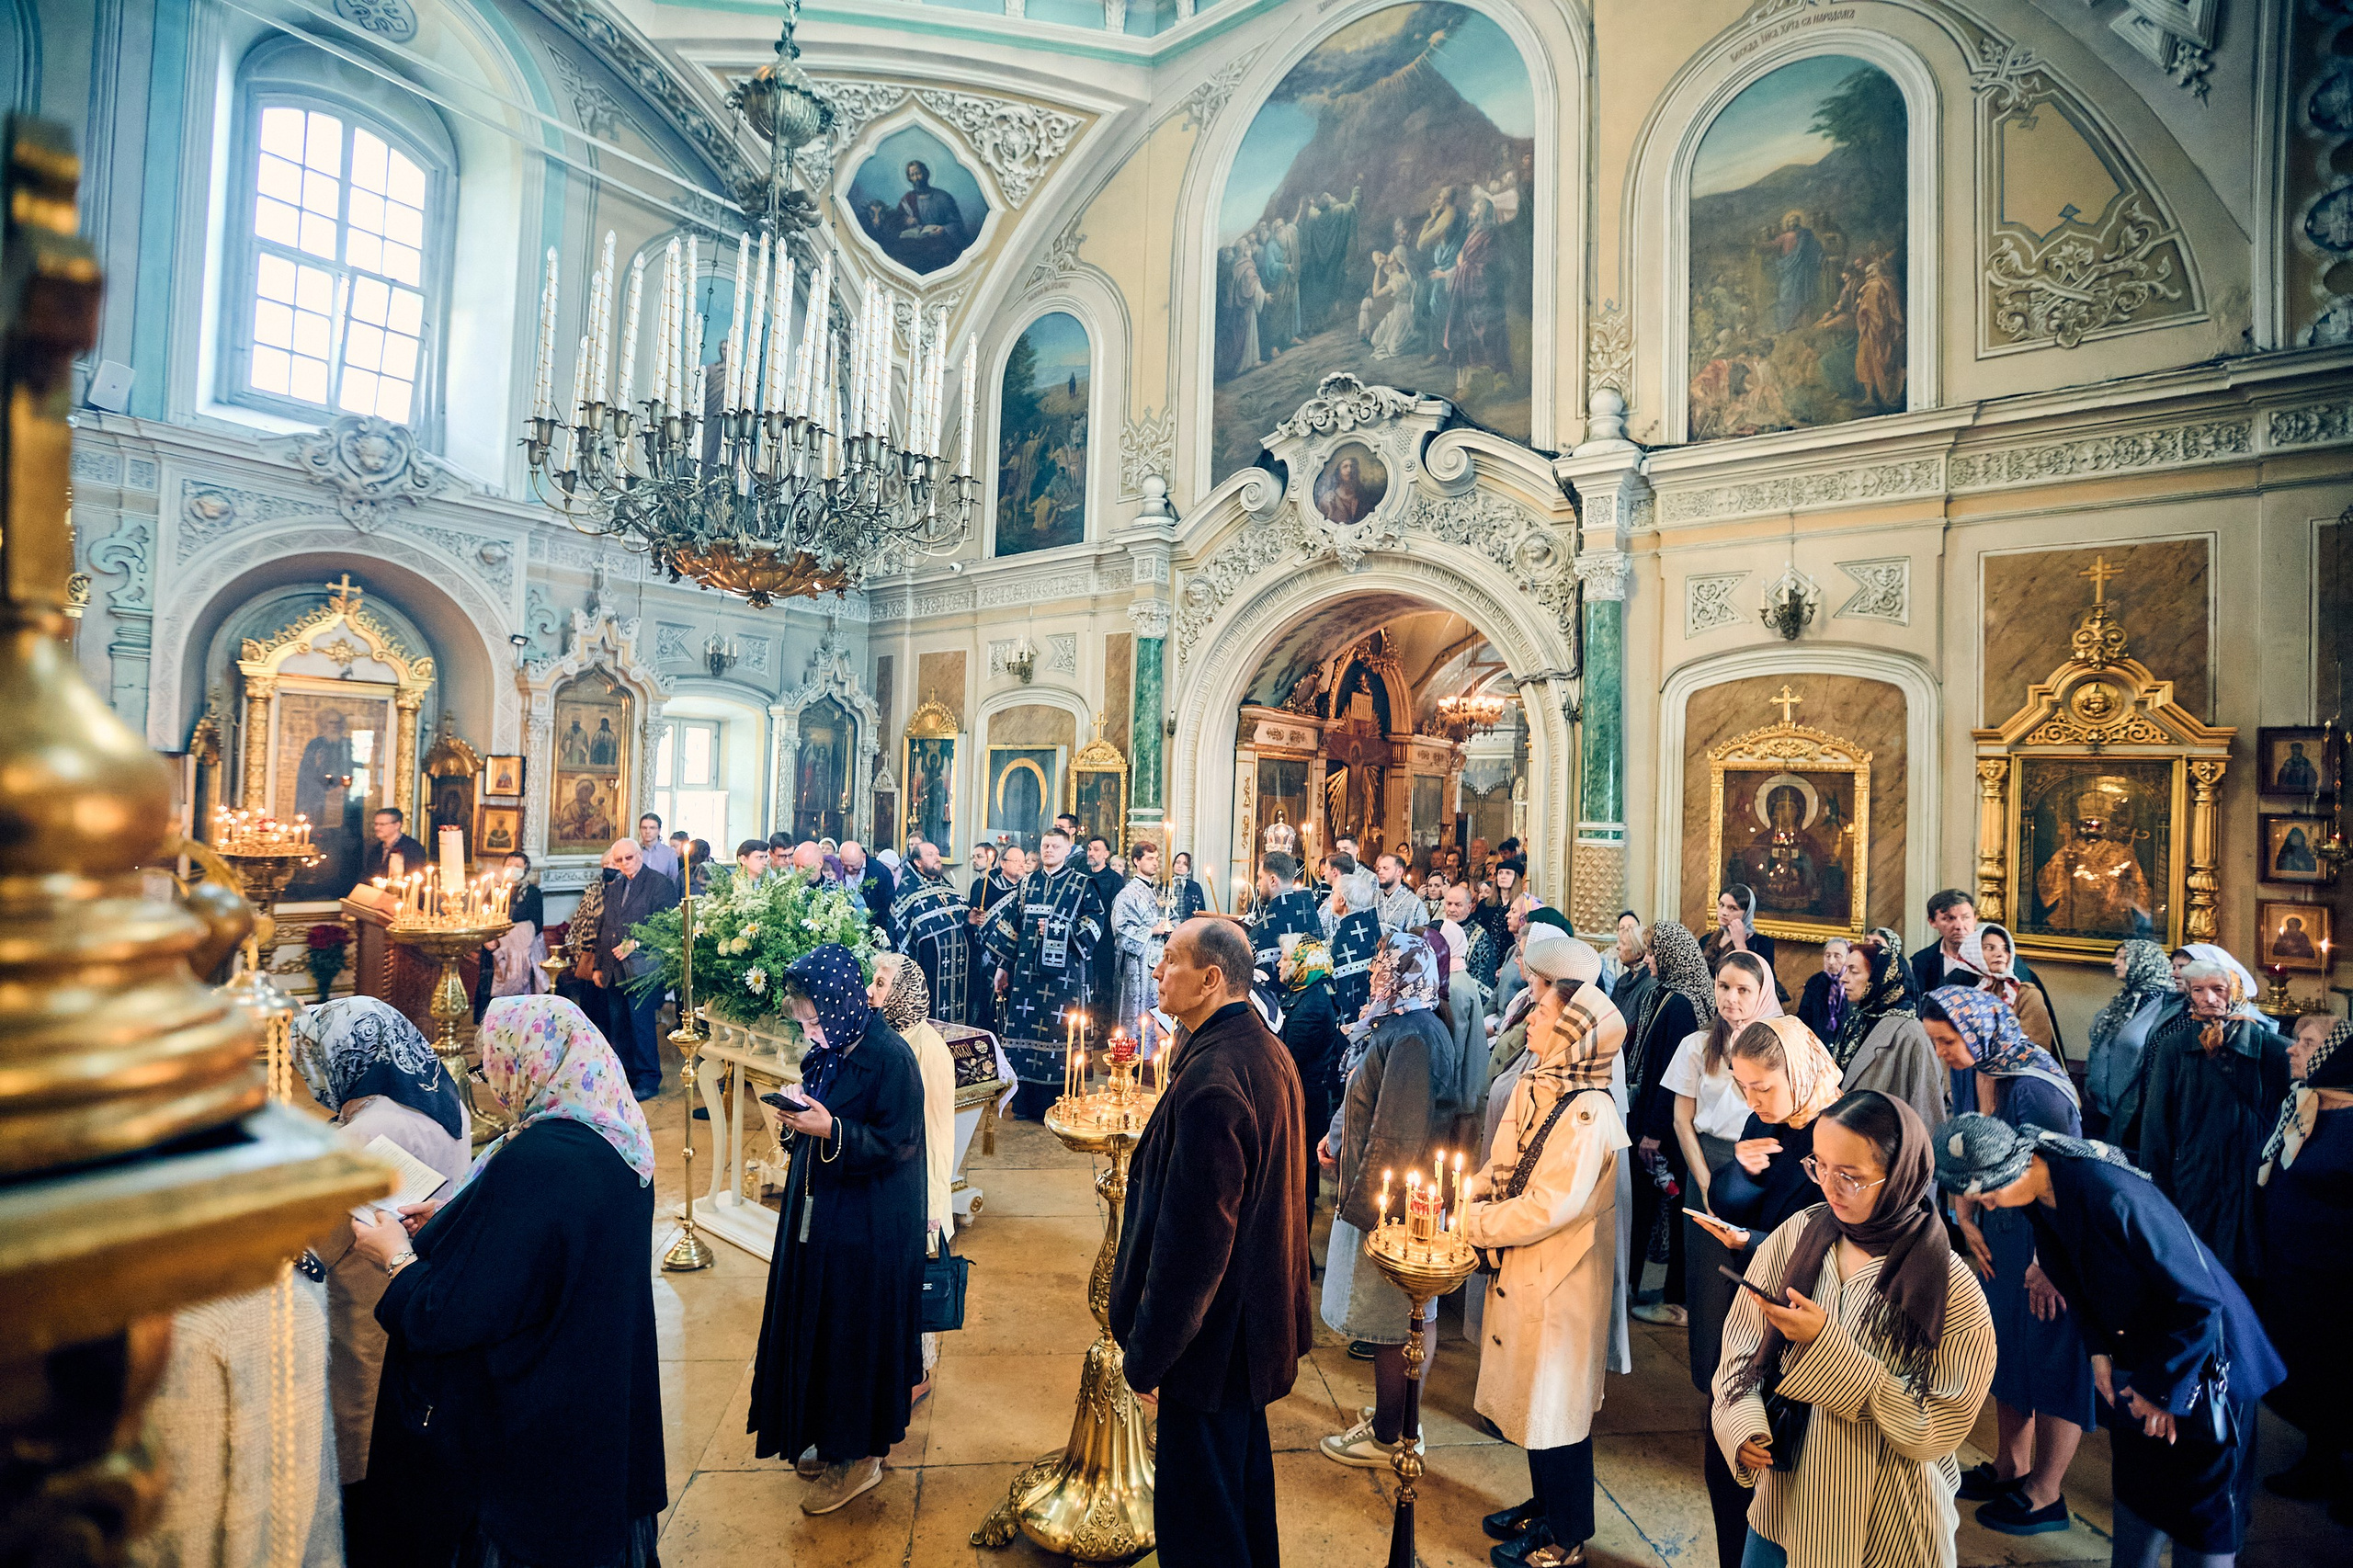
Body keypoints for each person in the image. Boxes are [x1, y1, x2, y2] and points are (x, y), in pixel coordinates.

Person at [349, 995, 665, 1566]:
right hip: (593, 1412)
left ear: (529, 1061)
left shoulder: (540, 1158)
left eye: (489, 1065)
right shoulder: (612, 1135)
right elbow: (542, 1250)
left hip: (531, 1442)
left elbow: (452, 1315)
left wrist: (396, 1256)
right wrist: (457, 1218)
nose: (491, 1082)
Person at [1937, 1116, 2285, 1568]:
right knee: (2140, 1489)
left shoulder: (2110, 1194)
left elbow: (2201, 1302)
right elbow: (2071, 1278)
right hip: (2139, 1353)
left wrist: (2162, 1392)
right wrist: (2099, 1351)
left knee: (2201, 1507)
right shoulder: (2043, 1194)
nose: (1991, 1206)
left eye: (1989, 1194)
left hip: (2204, 1360)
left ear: (2021, 1165)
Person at [1712, 1090, 1997, 1568]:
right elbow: (1740, 1346)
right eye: (1819, 1166)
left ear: (1902, 1175)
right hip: (1787, 1506)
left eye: (1851, 1177)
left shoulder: (1950, 1285)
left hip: (1890, 1520)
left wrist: (1827, 1346)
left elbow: (1939, 1427)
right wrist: (1742, 1425)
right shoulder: (1798, 1235)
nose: (1829, 1186)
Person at [1110, 916, 1312, 1568]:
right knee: (1239, 1501)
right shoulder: (1260, 1048)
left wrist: (1148, 1357)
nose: (1157, 971)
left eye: (1170, 961)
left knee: (1200, 1525)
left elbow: (1193, 1249)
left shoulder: (1214, 1081)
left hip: (1211, 1349)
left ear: (1210, 979)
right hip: (1246, 1337)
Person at [748, 945, 926, 1513]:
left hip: (870, 1225)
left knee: (855, 1332)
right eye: (803, 1022)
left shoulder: (890, 1057)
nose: (811, 1032)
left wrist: (833, 1129)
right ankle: (828, 1435)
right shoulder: (831, 1048)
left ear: (846, 1003)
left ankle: (861, 1454)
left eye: (816, 1020)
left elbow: (900, 1143)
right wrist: (800, 1116)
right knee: (820, 1324)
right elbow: (823, 1108)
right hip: (820, 1215)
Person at [1464, 971, 1629, 1568]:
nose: (1528, 1020)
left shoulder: (1588, 1112)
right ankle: (1545, 1504)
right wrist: (1475, 1195)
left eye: (1540, 1012)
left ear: (1571, 1032)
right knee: (1537, 1409)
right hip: (1526, 1272)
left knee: (1558, 1413)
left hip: (1560, 1285)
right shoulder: (1544, 1083)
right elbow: (1502, 1161)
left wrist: (1475, 1225)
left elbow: (1548, 1207)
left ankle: (1566, 1536)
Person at [290, 998, 471, 1540]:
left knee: (362, 1431)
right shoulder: (437, 1093)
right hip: (422, 1270)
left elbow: (312, 1243)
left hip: (365, 1298)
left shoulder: (366, 1133)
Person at [1921, 987, 2095, 1536]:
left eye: (1947, 1041)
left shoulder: (2035, 1087)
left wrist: (2049, 1264)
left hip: (2048, 1240)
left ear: (1977, 1031)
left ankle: (2046, 1493)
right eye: (1936, 1042)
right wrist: (1962, 1215)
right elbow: (1964, 1145)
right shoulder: (1974, 1067)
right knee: (2008, 1350)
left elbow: (2064, 1179)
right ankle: (2009, 1466)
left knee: (2052, 1356)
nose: (1943, 1052)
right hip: (1998, 1228)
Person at [1686, 1015, 1845, 1568]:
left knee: (1779, 1477)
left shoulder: (1840, 1132)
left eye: (1763, 1086)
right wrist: (1743, 1174)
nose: (1753, 1099)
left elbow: (1831, 1240)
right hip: (1753, 1299)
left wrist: (1753, 1239)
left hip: (1808, 1323)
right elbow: (1730, 1202)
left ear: (1796, 1071)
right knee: (1724, 1460)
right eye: (1743, 1086)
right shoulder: (1767, 1120)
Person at [1318, 932, 1457, 1459]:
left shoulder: (1414, 1036)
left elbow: (1396, 1133)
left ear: (1407, 974)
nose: (1376, 974)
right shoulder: (1405, 1024)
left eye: (1385, 966)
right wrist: (1337, 1138)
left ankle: (1392, 1436)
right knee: (1399, 1323)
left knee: (1392, 1324)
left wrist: (1364, 1210)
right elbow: (1368, 1098)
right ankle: (1396, 1420)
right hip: (1392, 1197)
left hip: (1394, 1207)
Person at [2136, 958, 2292, 1289]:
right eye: (2199, 990)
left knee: (2253, 1271)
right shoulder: (2175, 1047)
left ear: (2235, 991)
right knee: (2197, 1267)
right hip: (2195, 1174)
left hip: (2253, 1177)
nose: (2208, 998)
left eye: (2218, 989)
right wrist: (2158, 1190)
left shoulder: (2271, 1050)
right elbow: (2155, 1126)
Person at [2257, 1017, 2353, 1519]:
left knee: (2344, 1375)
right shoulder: (2305, 1108)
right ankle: (2319, 1462)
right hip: (2298, 1273)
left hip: (2340, 1281)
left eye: (2309, 1044)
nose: (2293, 1050)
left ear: (2337, 1057)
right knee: (2312, 1374)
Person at [1659, 950, 1776, 1343]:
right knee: (1709, 1278)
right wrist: (1707, 1184)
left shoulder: (1781, 1045)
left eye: (1744, 990)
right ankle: (1708, 1376)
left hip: (1761, 1165)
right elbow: (1681, 1120)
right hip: (1707, 1160)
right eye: (1724, 987)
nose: (1732, 998)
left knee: (1757, 1273)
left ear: (1761, 994)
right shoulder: (1697, 1044)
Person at [872, 953, 954, 1400]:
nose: (872, 990)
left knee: (915, 1283)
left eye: (882, 984)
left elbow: (939, 1135)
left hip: (918, 1185)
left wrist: (933, 1209)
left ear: (904, 991)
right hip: (890, 1182)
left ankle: (918, 1378)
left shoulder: (929, 1051)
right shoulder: (885, 1038)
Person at [1627, 922, 1716, 1325]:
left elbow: (1670, 1075)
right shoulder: (1663, 994)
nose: (1647, 960)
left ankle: (1674, 1298)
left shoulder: (1681, 1004)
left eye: (1653, 953)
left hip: (1662, 1126)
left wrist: (1654, 1132)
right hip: (1649, 1118)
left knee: (1662, 1204)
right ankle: (1636, 1288)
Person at [982, 825, 1105, 1118]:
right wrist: (1002, 968)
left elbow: (1096, 924)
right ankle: (1025, 1103)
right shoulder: (1027, 884)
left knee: (1059, 1035)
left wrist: (1059, 929)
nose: (1048, 850)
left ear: (1067, 849)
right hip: (1026, 976)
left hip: (1065, 978)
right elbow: (1012, 927)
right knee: (1024, 1034)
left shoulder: (1082, 884)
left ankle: (1058, 1101)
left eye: (1055, 846)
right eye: (1045, 846)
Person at [1826, 930, 1946, 1133]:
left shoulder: (1910, 1032)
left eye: (1854, 972)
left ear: (1880, 977)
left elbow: (1927, 1108)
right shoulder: (1857, 1021)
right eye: (1846, 971)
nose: (1843, 979)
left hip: (1884, 1143)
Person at [593, 836, 680, 1100]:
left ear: (639, 856)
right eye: (618, 860)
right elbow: (605, 928)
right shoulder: (616, 885)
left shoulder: (659, 883)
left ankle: (648, 1079)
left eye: (628, 858)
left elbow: (667, 924)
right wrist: (598, 966)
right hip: (614, 969)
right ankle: (625, 1076)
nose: (624, 864)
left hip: (643, 968)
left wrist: (638, 941)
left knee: (641, 1026)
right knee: (619, 1026)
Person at [2084, 940, 2172, 1142]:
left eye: (2123, 958)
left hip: (2136, 1115)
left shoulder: (2166, 1008)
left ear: (2144, 962)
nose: (2115, 962)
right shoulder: (2125, 1000)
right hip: (2102, 1108)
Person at [1277, 935, 1340, 1212]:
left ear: (1303, 963)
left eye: (1286, 959)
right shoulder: (1304, 992)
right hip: (1300, 1095)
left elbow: (1288, 1055)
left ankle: (1299, 1250)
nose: (1279, 964)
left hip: (1303, 1100)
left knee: (1298, 1177)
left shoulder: (1312, 1004)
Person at [892, 840, 972, 1025]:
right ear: (918, 862)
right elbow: (901, 932)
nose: (937, 858)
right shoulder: (907, 891)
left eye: (937, 854)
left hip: (956, 966)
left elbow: (957, 916)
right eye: (931, 855)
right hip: (929, 967)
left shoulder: (947, 887)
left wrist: (968, 918)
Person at [1955, 922, 2063, 1060]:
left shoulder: (2026, 994)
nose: (1999, 954)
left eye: (2005, 949)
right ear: (1973, 953)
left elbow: (2035, 1048)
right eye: (1990, 948)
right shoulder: (1960, 992)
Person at [1911, 888, 2039, 994]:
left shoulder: (2002, 957)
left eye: (1966, 917)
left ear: (1975, 918)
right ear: (1932, 922)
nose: (1959, 926)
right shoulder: (1922, 961)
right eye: (1949, 918)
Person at [1109, 841, 1172, 1028]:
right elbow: (1120, 930)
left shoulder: (1158, 892)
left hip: (1159, 961)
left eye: (1157, 859)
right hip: (1138, 965)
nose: (1155, 863)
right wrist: (1151, 930)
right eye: (1150, 858)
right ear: (1137, 860)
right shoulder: (1127, 894)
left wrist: (1171, 928)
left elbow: (1171, 917)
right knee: (1139, 1014)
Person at [1324, 868, 1383, 1028]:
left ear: (1342, 900)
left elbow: (1332, 983)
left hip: (1348, 1017)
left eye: (1334, 893)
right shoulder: (1374, 929)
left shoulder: (1344, 938)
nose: (1331, 898)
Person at [1246, 851, 1322, 975]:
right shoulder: (1309, 913)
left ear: (1273, 881)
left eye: (1260, 877)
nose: (1258, 883)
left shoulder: (1266, 927)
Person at [1702, 884, 1778, 977]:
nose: (1724, 912)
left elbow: (1762, 979)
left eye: (1733, 908)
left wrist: (1740, 945)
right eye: (1721, 905)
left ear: (1747, 913)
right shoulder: (1706, 939)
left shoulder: (1762, 943)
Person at [1795, 937, 1850, 1042]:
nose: (1831, 961)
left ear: (1848, 958)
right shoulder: (1815, 982)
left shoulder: (1853, 982)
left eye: (1837, 956)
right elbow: (1804, 1016)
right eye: (1827, 955)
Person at [358, 806, 427, 886]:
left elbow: (414, 877)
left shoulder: (412, 848)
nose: (377, 828)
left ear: (397, 825)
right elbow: (369, 875)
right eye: (376, 824)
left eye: (382, 824)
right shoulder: (376, 850)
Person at [1610, 913, 1654, 1022]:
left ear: (1638, 953)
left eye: (1623, 944)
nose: (1618, 947)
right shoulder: (1623, 980)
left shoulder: (1650, 984)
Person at [843, 840, 893, 929]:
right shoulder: (834, 869)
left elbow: (886, 907)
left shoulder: (881, 872)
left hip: (871, 928)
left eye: (853, 866)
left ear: (863, 857)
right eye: (845, 865)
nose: (849, 869)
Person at [634, 812, 681, 883]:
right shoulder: (634, 851)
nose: (647, 831)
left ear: (659, 830)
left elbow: (673, 881)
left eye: (652, 828)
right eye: (644, 828)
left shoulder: (669, 854)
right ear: (640, 830)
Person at [1168, 849, 1211, 920]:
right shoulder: (1165, 885)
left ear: (1189, 867)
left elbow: (1202, 911)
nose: (1180, 866)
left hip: (1190, 926)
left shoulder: (1195, 887)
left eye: (1185, 864)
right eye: (1178, 862)